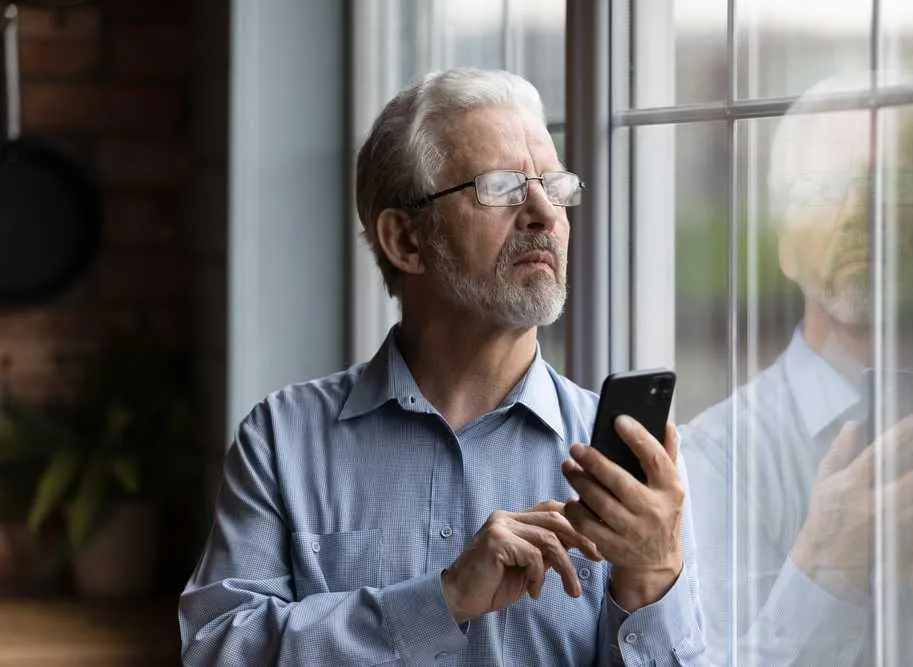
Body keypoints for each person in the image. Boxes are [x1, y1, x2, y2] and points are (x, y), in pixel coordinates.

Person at [179, 68, 708, 666]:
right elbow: (217, 650)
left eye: (554, 185)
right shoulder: (281, 440)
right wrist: (442, 599)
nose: (543, 212)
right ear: (406, 240)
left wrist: (653, 573)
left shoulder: (626, 462)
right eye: (502, 187)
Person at [681, 72, 913, 666]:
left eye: (897, 185)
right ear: (784, 243)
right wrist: (827, 566)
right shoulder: (715, 459)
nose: (861, 211)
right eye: (825, 188)